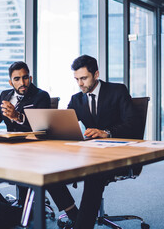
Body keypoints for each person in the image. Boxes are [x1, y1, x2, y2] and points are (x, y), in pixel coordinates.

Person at [0, 62, 78, 220]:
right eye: (17, 79)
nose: (22, 83)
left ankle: (73, 214)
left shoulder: (40, 96)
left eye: (25, 78)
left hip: (34, 149)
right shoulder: (5, 95)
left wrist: (18, 116)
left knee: (45, 169)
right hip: (11, 149)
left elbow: (42, 127)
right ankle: (2, 208)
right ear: (11, 82)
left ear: (30, 78)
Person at [57, 55, 141, 229]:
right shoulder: (76, 99)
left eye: (83, 78)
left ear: (96, 74)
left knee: (94, 174)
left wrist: (107, 133)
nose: (80, 84)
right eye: (76, 79)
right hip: (90, 154)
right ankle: (74, 214)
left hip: (117, 154)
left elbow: (133, 123)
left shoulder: (117, 91)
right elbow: (64, 123)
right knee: (48, 168)